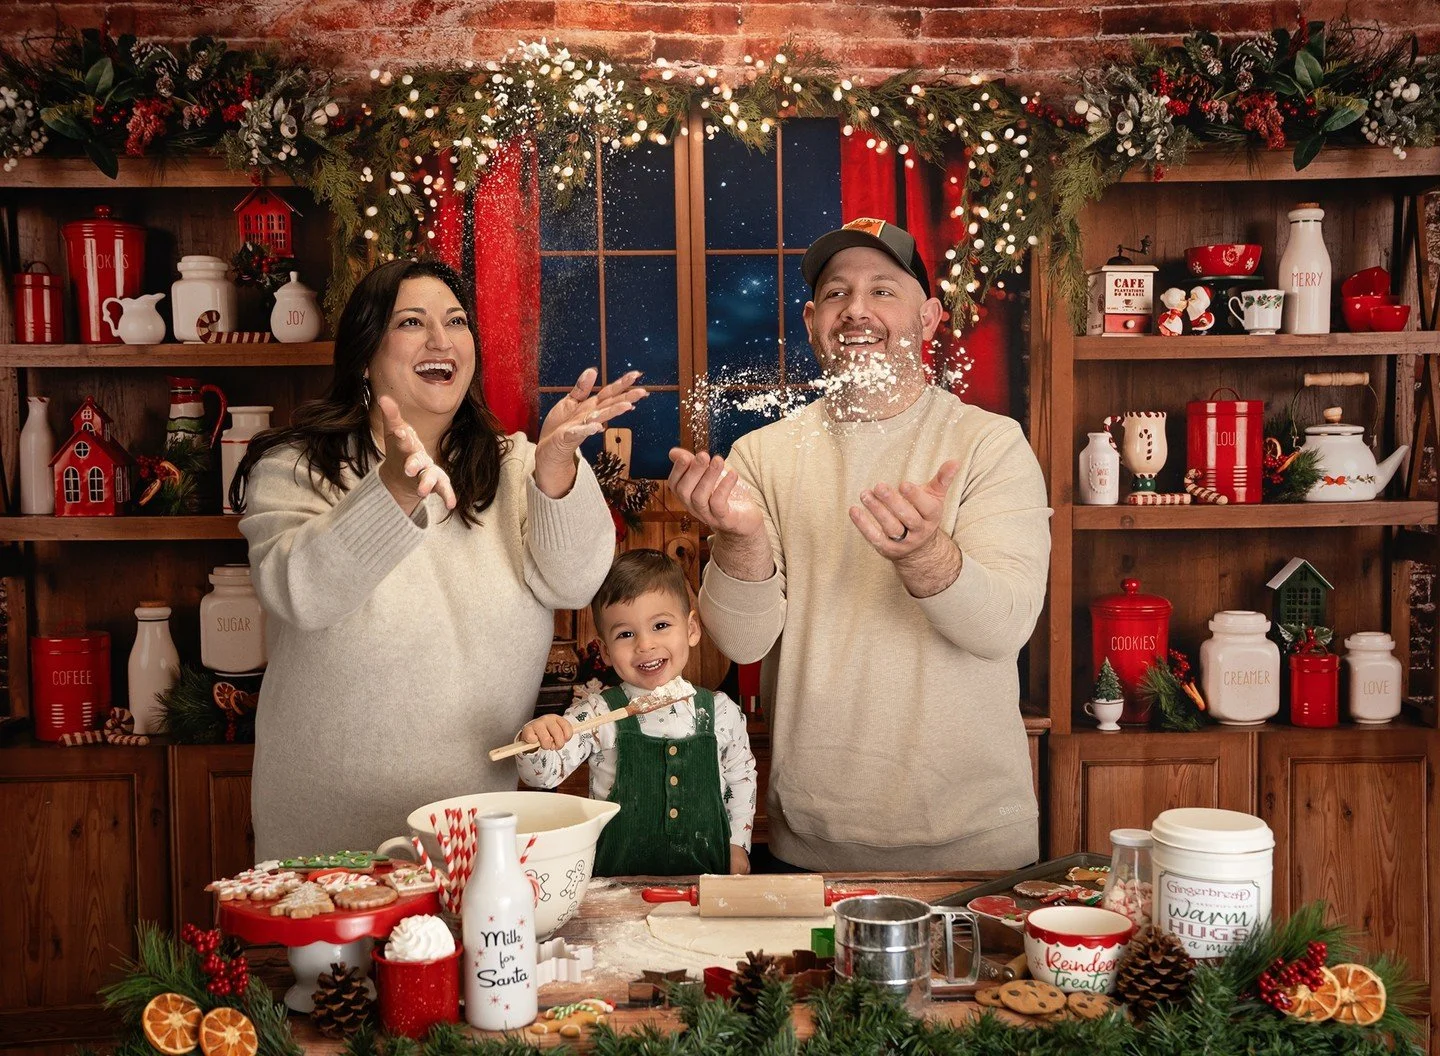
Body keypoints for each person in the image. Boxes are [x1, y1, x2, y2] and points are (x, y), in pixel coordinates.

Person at [667, 218, 1051, 872]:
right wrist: (742, 539)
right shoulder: (761, 456)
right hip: (813, 844)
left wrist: (926, 555)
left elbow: (1002, 627)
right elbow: (742, 642)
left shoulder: (990, 444)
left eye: (883, 290)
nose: (858, 310)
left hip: (974, 846)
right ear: (814, 321)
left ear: (928, 319)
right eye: (838, 295)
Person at [233, 258, 646, 860]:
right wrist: (396, 490)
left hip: (472, 826)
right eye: (411, 322)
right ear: (365, 355)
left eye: (455, 320)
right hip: (328, 830)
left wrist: (556, 470)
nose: (441, 339)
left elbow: (574, 582)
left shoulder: (514, 464)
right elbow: (301, 592)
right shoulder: (297, 467)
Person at [514, 549, 757, 875]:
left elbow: (740, 782)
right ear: (606, 651)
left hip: (705, 889)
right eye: (626, 634)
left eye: (660, 625)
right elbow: (542, 776)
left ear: (692, 629)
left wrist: (737, 846)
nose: (645, 644)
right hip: (617, 888)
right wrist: (537, 739)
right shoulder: (597, 712)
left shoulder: (721, 712)